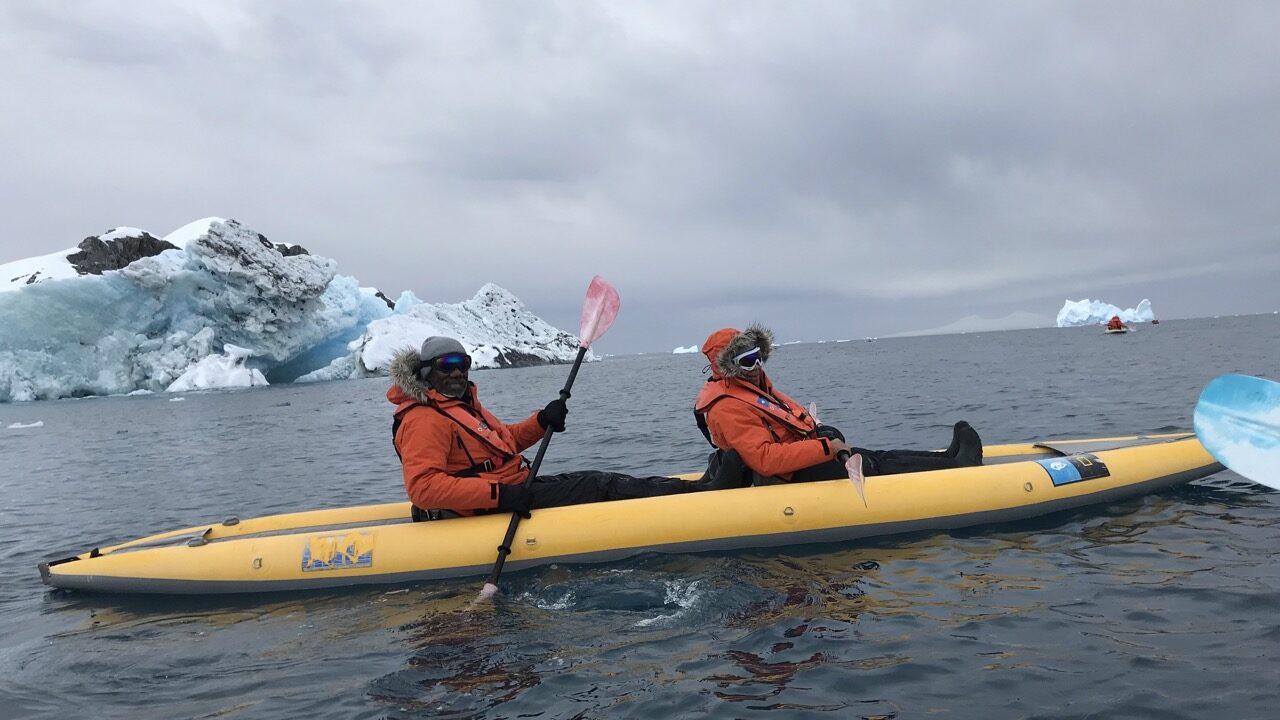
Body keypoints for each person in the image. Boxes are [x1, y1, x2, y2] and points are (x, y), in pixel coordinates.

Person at [388, 336, 726, 521]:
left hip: (512, 486)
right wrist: (501, 496)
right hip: (490, 501)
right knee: (599, 484)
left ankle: (692, 489)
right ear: (426, 372)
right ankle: (699, 498)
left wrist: (541, 421)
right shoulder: (424, 418)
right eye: (447, 366)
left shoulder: (458, 405)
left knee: (599, 477)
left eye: (463, 364)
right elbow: (424, 488)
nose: (458, 373)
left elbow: (501, 443)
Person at [693, 324, 983, 486]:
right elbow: (765, 459)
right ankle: (957, 467)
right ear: (728, 366)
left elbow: (790, 418)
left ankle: (946, 459)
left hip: (799, 459)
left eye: (758, 356)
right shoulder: (727, 406)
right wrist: (824, 448)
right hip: (786, 476)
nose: (756, 365)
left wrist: (819, 430)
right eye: (746, 361)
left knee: (875, 455)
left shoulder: (751, 386)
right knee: (873, 466)